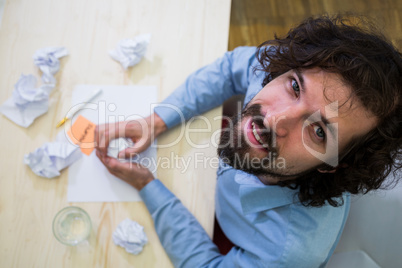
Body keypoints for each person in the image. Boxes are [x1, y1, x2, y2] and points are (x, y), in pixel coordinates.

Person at [95, 15, 402, 267]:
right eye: (295, 87)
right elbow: (231, 68)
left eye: (318, 131)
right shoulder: (279, 73)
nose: (273, 120)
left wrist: (147, 185)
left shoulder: (287, 251)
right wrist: (156, 121)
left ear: (334, 165)